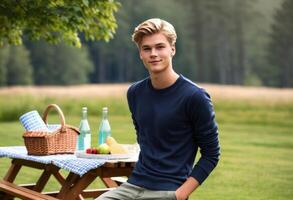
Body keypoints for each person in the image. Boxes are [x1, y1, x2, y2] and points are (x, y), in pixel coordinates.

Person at [96, 18, 220, 200]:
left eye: (160, 47)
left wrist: (179, 196)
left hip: (168, 190)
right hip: (132, 185)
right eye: (147, 49)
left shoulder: (195, 97)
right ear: (140, 54)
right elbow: (145, 140)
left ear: (172, 49)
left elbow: (211, 154)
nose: (153, 53)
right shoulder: (135, 93)